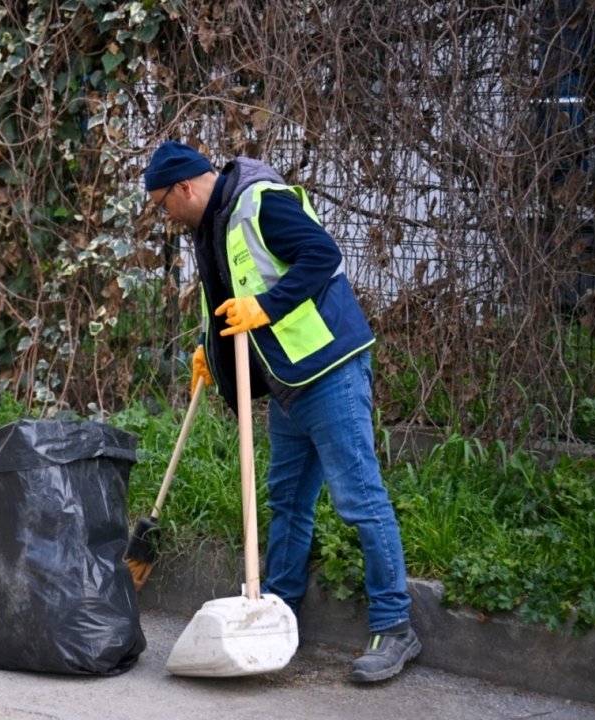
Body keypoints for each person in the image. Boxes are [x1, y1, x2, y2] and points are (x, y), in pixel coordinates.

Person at [143, 141, 419, 682]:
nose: (163, 215)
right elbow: (231, 298)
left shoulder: (259, 202)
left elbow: (323, 255)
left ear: (183, 188)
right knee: (287, 501)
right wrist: (211, 352)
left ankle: (396, 627)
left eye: (162, 203)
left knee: (359, 499)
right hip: (287, 380)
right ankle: (277, 613)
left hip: (329, 368)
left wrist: (265, 308)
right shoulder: (211, 227)